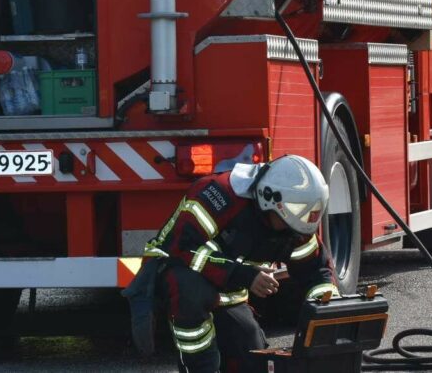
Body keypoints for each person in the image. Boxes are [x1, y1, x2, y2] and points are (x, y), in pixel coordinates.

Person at [125, 155, 339, 373]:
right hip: (171, 272)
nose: (291, 232)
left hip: (226, 288)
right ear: (268, 199)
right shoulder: (218, 194)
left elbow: (316, 270)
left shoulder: (293, 222)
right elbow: (182, 248)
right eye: (286, 222)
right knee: (191, 290)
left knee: (252, 357)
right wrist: (246, 276)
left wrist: (329, 306)